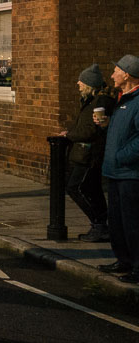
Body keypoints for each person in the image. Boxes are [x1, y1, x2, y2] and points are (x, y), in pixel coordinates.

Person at [98, 54, 139, 284]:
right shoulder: (123, 99)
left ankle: (137, 266)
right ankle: (123, 260)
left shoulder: (137, 101)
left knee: (132, 222)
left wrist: (121, 156)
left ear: (127, 74)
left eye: (116, 70)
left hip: (130, 174)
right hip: (115, 172)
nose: (112, 74)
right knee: (117, 221)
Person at [61, 64, 114, 242]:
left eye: (81, 81)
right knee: (92, 189)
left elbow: (91, 131)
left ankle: (99, 224)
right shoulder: (91, 100)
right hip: (85, 153)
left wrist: (69, 135)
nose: (78, 83)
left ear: (90, 84)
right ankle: (101, 225)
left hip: (89, 155)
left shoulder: (100, 102)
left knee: (75, 187)